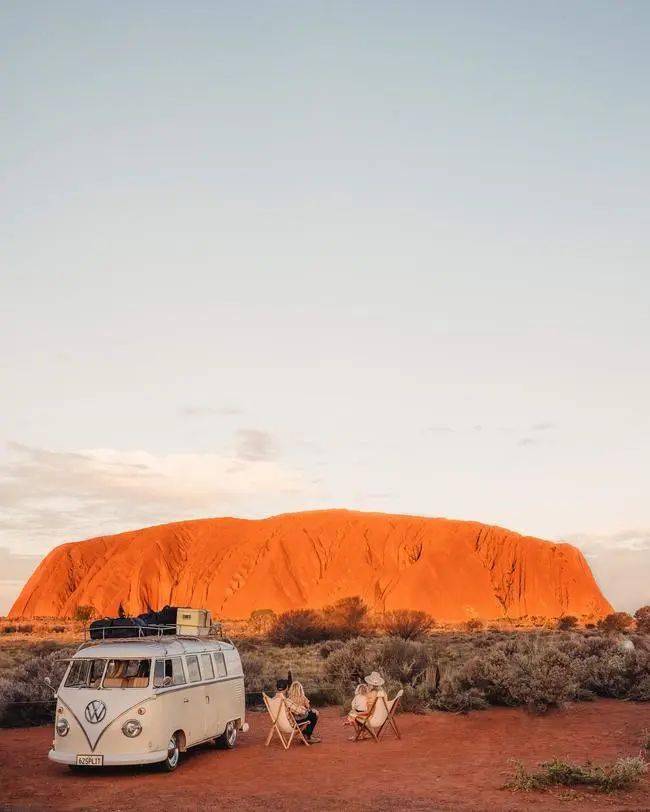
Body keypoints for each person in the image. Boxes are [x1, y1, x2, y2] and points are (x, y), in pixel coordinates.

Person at [277, 678, 321, 743]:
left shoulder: (275, 700)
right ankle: (307, 735)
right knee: (314, 714)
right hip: (293, 722)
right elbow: (299, 711)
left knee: (311, 713)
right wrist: (309, 710)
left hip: (281, 723)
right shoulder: (286, 701)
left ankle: (305, 734)